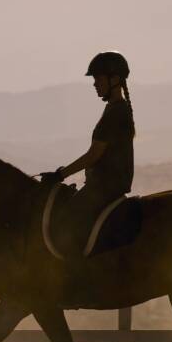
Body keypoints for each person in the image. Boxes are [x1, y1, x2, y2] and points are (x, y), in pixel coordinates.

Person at [42, 51, 135, 257]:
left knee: (66, 224)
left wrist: (60, 175)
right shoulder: (116, 109)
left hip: (103, 187)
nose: (95, 84)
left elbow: (93, 155)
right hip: (105, 185)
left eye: (98, 79)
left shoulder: (115, 112)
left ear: (115, 79)